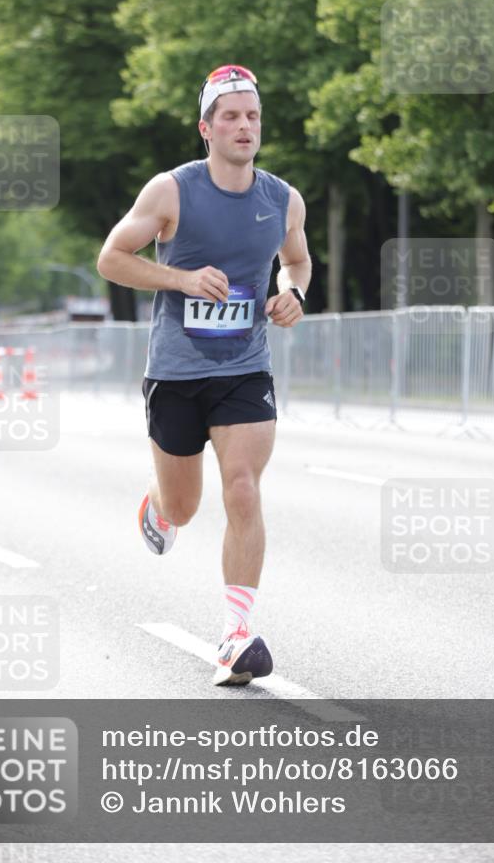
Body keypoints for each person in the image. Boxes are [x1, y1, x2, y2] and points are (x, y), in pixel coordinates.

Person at [97, 64, 311, 685]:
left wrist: (292, 293)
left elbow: (295, 261)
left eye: (252, 116)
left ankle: (237, 634)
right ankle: (159, 507)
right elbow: (113, 258)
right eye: (231, 117)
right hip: (176, 369)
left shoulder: (282, 199)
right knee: (186, 508)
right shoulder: (171, 191)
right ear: (206, 128)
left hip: (245, 366)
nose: (244, 126)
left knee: (242, 487)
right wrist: (183, 279)